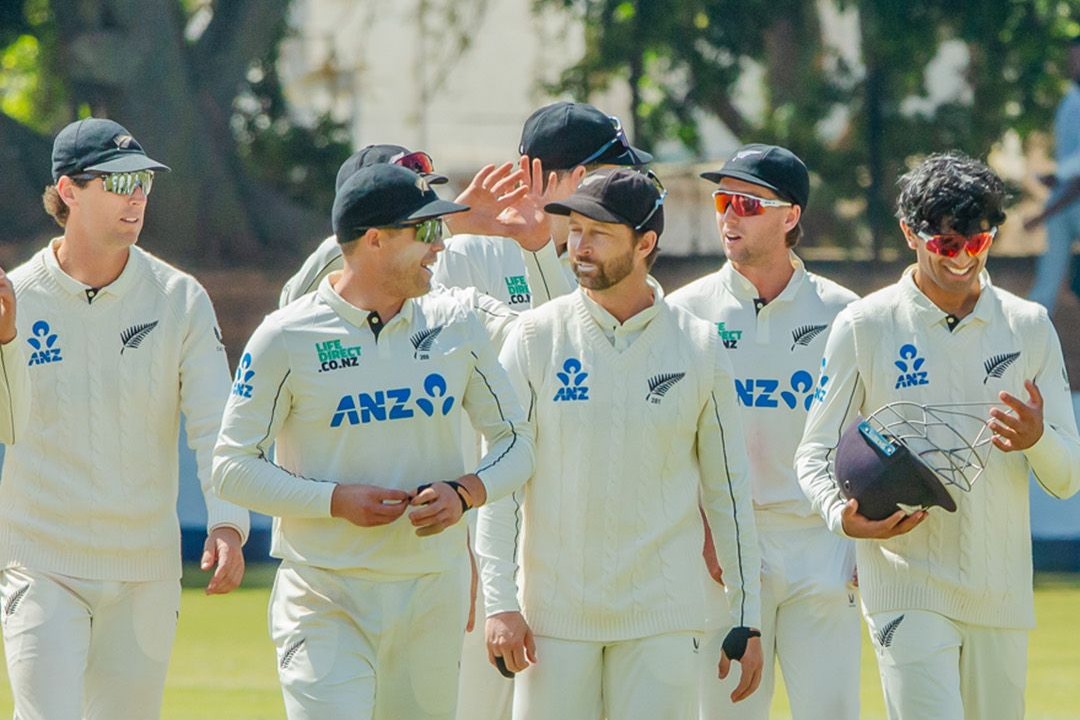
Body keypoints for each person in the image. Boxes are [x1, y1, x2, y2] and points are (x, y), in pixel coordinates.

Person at [213, 163, 534, 719]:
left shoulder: (457, 322)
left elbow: (516, 441)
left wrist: (466, 492)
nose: (440, 248)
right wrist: (333, 501)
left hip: (433, 591)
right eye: (426, 232)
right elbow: (232, 467)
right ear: (375, 240)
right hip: (323, 596)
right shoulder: (286, 335)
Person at [796, 151, 1080, 720]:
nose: (962, 259)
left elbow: (1067, 478)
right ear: (910, 233)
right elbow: (815, 451)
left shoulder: (1028, 326)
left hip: (999, 593)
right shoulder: (865, 325)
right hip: (905, 585)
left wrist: (1035, 440)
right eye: (947, 245)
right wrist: (840, 516)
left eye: (977, 243)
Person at [478, 168, 762, 720]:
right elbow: (502, 482)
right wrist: (500, 602)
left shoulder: (699, 346)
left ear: (645, 243)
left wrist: (746, 615)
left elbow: (728, 490)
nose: (578, 247)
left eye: (598, 233)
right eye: (575, 230)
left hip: (663, 618)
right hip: (553, 622)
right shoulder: (536, 337)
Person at [0, 117, 250, 720]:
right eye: (117, 182)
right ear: (68, 191)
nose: (136, 195)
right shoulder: (18, 297)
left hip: (145, 568)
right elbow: (8, 427)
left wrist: (228, 522)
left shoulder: (179, 297)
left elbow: (215, 419)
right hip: (41, 561)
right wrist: (7, 341)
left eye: (142, 180)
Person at [667, 144, 860, 719]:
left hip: (818, 545)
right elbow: (674, 438)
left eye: (747, 203)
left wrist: (856, 547)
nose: (728, 216)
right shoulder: (683, 311)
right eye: (722, 200)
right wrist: (704, 528)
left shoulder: (844, 314)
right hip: (721, 549)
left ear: (790, 216)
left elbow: (865, 435)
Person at [1027, 35, 1080, 315]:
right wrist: (1056, 179)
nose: (1075, 64)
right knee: (1047, 280)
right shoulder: (1069, 101)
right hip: (1065, 200)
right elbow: (1073, 165)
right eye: (1072, 58)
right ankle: (1028, 334)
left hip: (1070, 199)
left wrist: (1041, 216)